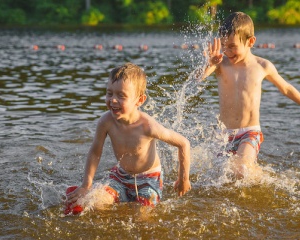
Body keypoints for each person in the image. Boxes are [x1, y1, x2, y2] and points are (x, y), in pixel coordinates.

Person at [67, 62, 191, 210]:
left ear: (139, 100)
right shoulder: (106, 122)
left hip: (149, 180)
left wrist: (184, 179)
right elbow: (95, 152)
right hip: (120, 176)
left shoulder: (147, 126)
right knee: (95, 204)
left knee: (142, 216)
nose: (113, 100)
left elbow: (183, 143)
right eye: (109, 93)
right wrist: (86, 186)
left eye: (121, 96)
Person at [202, 12, 300, 179]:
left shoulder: (262, 66)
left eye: (232, 46)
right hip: (224, 134)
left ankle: (261, 179)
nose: (227, 51)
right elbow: (199, 77)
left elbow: (286, 88)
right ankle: (260, 175)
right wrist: (208, 64)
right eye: (224, 46)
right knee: (220, 176)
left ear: (251, 41)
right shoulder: (220, 64)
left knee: (241, 171)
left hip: (249, 131)